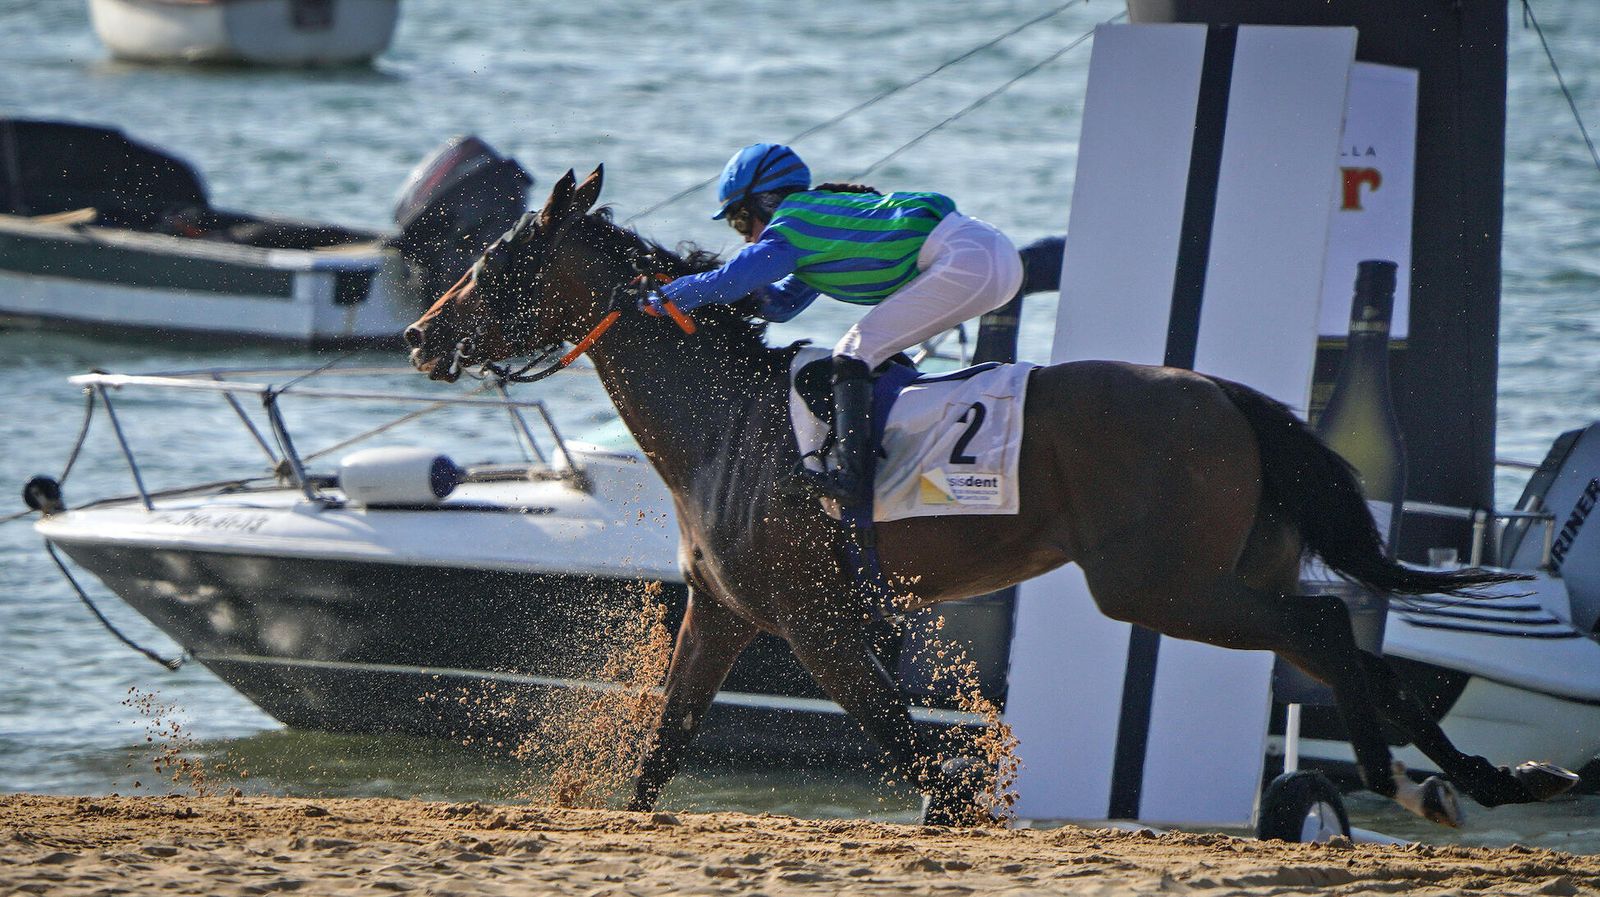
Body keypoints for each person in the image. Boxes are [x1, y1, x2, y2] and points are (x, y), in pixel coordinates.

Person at [643, 143, 1024, 505]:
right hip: (987, 255)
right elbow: (780, 305)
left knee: (854, 351)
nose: (744, 234)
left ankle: (849, 478)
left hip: (971, 257)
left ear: (767, 201)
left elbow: (731, 279)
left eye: (741, 218)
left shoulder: (793, 223)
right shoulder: (814, 232)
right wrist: (707, 297)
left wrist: (657, 300)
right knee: (870, 352)